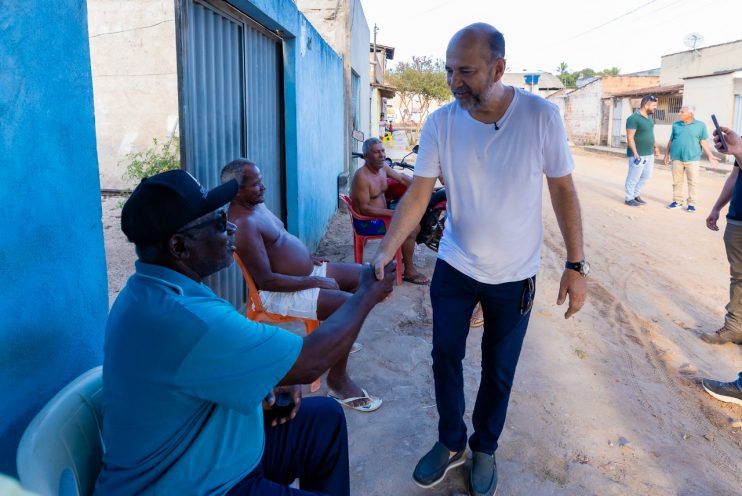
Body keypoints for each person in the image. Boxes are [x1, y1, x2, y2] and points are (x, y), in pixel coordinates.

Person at [372, 24, 588, 496]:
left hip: (515, 275)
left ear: (498, 68)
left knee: (499, 367)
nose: (455, 82)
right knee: (444, 354)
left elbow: (562, 190)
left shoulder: (540, 117)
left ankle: (484, 446)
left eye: (466, 71)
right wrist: (387, 248)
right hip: (455, 265)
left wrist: (575, 265)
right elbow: (419, 193)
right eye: (450, 71)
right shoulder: (441, 123)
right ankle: (451, 442)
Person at [94, 170, 395, 495]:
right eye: (219, 222)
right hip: (195, 484)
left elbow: (192, 378)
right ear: (179, 246)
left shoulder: (150, 291)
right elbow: (309, 361)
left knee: (324, 418)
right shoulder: (185, 318)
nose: (231, 228)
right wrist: (367, 293)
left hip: (213, 452)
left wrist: (261, 388)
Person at [221, 158, 382, 412]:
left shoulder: (255, 205)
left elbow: (280, 243)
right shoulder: (243, 224)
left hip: (304, 274)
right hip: (279, 292)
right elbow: (266, 281)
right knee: (348, 303)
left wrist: (308, 259)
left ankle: (338, 337)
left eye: (261, 181)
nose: (263, 187)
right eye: (256, 184)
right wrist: (314, 280)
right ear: (236, 191)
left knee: (365, 275)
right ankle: (338, 381)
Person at [351, 137, 430, 284]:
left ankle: (394, 257)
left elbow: (400, 178)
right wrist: (394, 214)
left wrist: (423, 188)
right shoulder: (362, 177)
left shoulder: (382, 168)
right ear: (367, 157)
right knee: (411, 227)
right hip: (367, 222)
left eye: (382, 151)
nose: (382, 155)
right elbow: (364, 209)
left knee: (408, 215)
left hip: (382, 216)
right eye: (376, 152)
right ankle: (409, 270)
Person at [701, 123, 742, 345]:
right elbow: (736, 176)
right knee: (739, 276)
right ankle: (735, 327)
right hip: (738, 218)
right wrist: (717, 207)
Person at [663, 105, 718, 212]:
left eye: (682, 112)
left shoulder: (700, 125)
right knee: (677, 182)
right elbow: (671, 140)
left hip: (692, 159)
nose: (679, 113)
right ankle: (677, 201)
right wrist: (666, 154)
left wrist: (711, 156)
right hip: (676, 158)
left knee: (693, 182)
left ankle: (691, 204)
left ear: (690, 114)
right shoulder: (676, 125)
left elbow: (703, 142)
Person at [624, 95, 659, 207]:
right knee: (633, 177)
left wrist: (655, 147)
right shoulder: (633, 118)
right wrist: (635, 153)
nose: (655, 108)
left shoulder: (649, 118)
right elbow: (630, 137)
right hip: (638, 154)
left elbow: (650, 133)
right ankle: (629, 198)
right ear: (646, 105)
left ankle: (635, 194)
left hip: (649, 153)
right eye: (654, 105)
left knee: (646, 176)